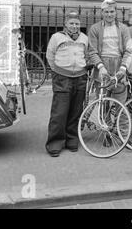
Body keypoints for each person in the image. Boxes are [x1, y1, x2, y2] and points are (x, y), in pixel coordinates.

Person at [45, 11, 88, 157]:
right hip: (62, 77)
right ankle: (55, 143)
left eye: (77, 23)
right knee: (60, 112)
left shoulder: (84, 38)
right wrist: (57, 71)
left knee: (76, 111)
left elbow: (86, 55)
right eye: (71, 23)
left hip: (81, 77)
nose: (74, 26)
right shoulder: (56, 37)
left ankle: (71, 140)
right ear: (65, 24)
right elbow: (50, 55)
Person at [88, 0, 132, 103]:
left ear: (116, 12)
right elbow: (92, 51)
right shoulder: (95, 28)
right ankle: (105, 120)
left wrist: (123, 68)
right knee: (103, 103)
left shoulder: (123, 28)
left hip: (119, 64)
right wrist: (101, 67)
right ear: (102, 12)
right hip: (102, 65)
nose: (109, 14)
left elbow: (129, 50)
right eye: (106, 12)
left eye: (112, 11)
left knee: (121, 103)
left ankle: (121, 119)